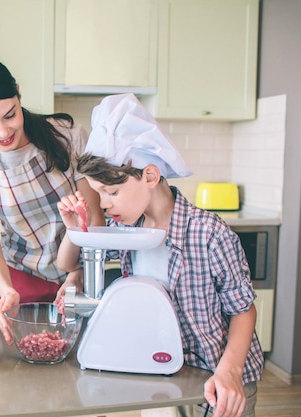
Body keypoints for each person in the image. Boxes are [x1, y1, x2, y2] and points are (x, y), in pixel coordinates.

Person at [57, 93, 263, 417]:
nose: (105, 204)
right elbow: (67, 264)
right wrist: (74, 229)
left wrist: (230, 372)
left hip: (218, 378)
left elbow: (243, 311)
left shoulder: (209, 234)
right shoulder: (126, 229)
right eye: (98, 193)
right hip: (163, 374)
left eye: (111, 192)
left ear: (150, 176)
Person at [0, 56, 106, 344]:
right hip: (19, 285)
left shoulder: (67, 136)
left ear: (19, 95)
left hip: (80, 275)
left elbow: (95, 219)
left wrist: (79, 274)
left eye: (10, 115)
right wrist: (6, 290)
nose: (3, 132)